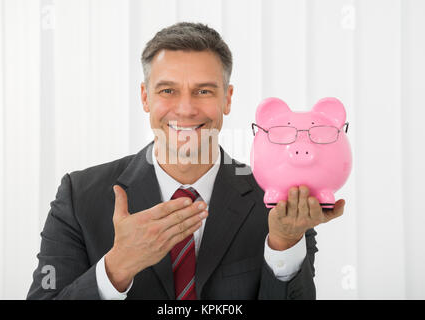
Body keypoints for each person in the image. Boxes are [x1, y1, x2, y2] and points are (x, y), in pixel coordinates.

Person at [27, 22, 345, 300]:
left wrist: (284, 243)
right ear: (145, 97)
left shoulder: (279, 202)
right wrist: (117, 267)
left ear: (227, 99)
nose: (185, 109)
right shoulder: (79, 196)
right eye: (168, 90)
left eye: (203, 91)